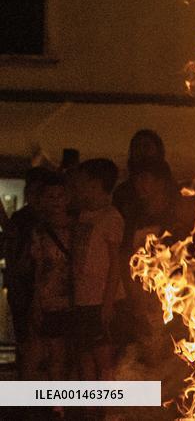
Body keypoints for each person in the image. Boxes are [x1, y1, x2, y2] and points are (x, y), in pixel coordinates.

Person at [71, 158, 125, 381]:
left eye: (83, 182)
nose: (78, 187)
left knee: (104, 360)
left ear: (96, 184)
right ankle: (90, 409)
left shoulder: (111, 218)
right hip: (82, 299)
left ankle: (108, 411)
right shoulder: (83, 215)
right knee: (85, 356)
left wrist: (108, 303)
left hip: (100, 300)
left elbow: (115, 264)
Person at [22, 170, 74, 381]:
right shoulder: (40, 231)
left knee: (62, 355)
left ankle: (57, 405)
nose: (55, 202)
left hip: (71, 300)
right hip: (48, 299)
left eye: (59, 196)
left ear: (67, 198)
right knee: (44, 353)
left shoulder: (77, 228)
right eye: (50, 197)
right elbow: (38, 268)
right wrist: (36, 301)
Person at [3, 166, 48, 376]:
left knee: (37, 341)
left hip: (35, 285)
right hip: (22, 285)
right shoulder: (22, 218)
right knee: (27, 339)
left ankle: (33, 395)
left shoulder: (46, 219)